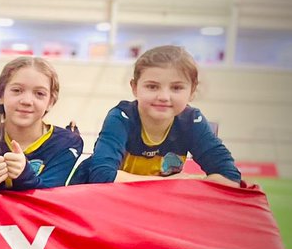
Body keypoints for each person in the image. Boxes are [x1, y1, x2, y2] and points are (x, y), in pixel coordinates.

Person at [82, 45, 240, 185]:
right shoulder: (122, 117)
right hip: (104, 201)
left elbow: (230, 177)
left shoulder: (192, 121)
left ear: (192, 91)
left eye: (176, 88)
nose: (164, 96)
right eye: (152, 86)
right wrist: (169, 182)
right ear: (135, 88)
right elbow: (102, 176)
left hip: (154, 204)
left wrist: (190, 183)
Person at [0, 57, 82, 190]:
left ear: (50, 102)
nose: (27, 101)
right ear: (0, 95)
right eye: (17, 90)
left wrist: (25, 175)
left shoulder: (67, 143)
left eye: (39, 93)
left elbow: (49, 193)